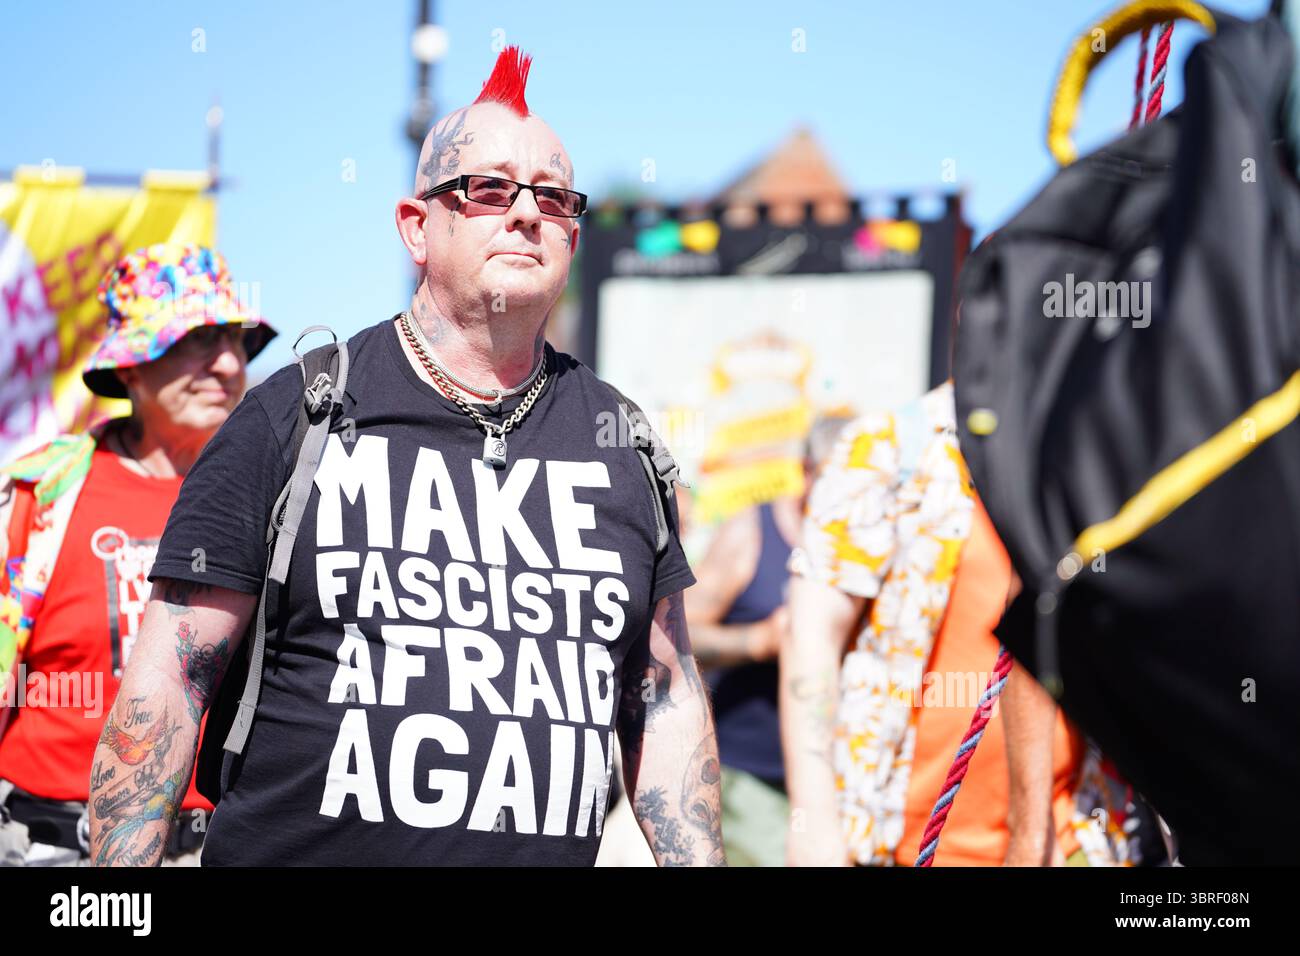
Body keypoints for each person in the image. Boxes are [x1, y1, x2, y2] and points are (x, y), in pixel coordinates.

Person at [87, 47, 722, 867]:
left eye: (554, 197)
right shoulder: (296, 414)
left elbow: (664, 698)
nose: (526, 213)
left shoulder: (623, 442)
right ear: (418, 227)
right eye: (489, 189)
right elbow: (171, 681)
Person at [0, 243, 276, 866]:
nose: (228, 362)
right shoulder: (38, 497)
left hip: (214, 848)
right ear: (130, 368)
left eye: (235, 339)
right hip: (46, 848)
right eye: (196, 340)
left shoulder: (279, 496)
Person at [781, 381, 1091, 867]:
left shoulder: (1101, 447)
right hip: (903, 843)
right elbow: (811, 636)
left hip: (1074, 840)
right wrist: (814, 822)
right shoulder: (891, 446)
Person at [686, 414, 851, 866]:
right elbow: (679, 635)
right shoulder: (752, 531)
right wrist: (759, 641)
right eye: (839, 481)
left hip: (842, 775)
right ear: (807, 472)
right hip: (753, 774)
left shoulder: (866, 540)